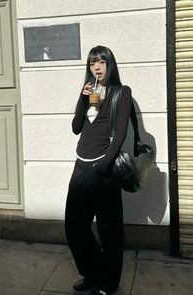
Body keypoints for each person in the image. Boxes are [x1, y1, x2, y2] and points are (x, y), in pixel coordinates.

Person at [65, 45, 132, 295]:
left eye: (102, 62)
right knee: (74, 226)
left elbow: (120, 134)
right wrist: (83, 99)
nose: (97, 67)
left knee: (110, 232)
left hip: (103, 171)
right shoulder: (91, 92)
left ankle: (107, 283)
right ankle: (92, 274)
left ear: (109, 65)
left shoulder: (121, 93)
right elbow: (75, 127)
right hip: (80, 169)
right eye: (93, 62)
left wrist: (105, 165)